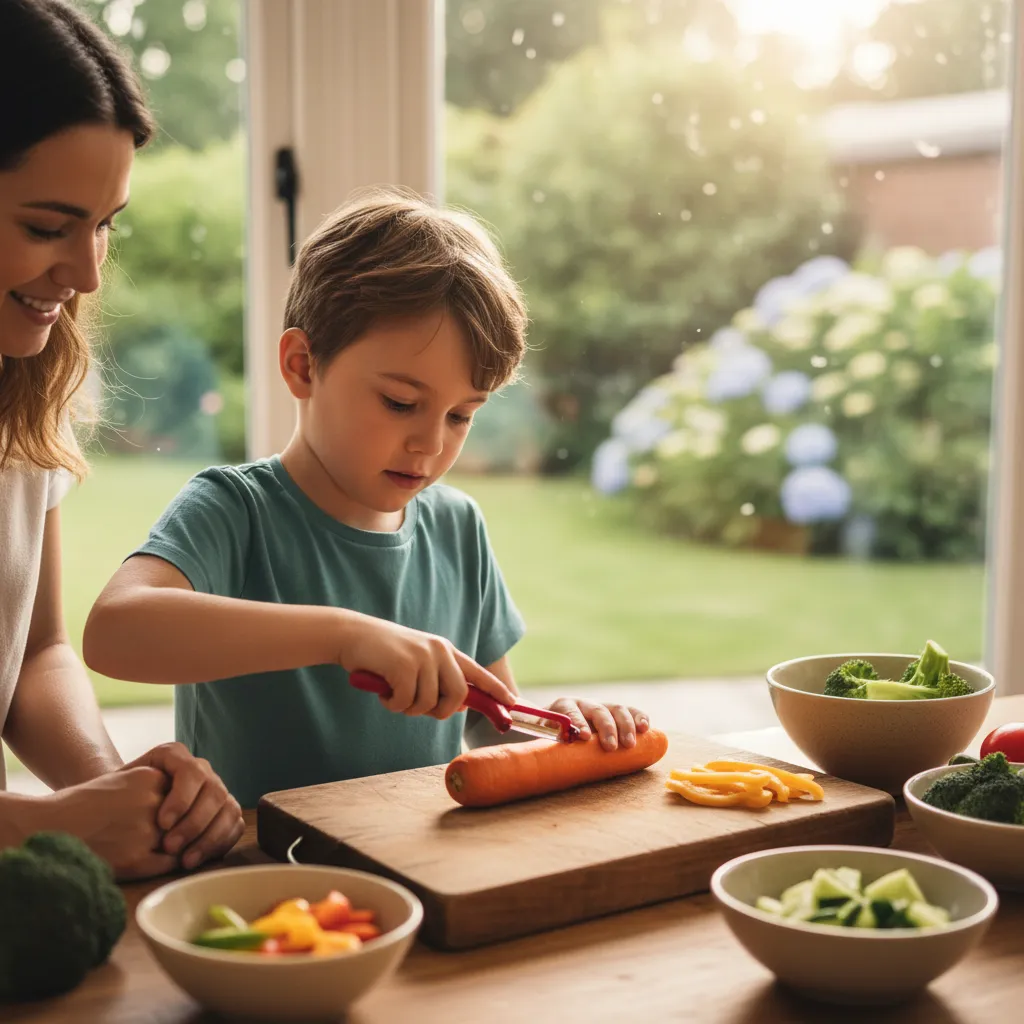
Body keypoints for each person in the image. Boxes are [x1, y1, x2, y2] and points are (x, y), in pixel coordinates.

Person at [84, 189, 652, 808]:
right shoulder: (234, 510)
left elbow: (494, 724)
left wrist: (559, 728)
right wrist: (343, 635)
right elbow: (114, 632)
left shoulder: (458, 526)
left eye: (461, 415)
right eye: (401, 403)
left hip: (417, 875)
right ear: (302, 365)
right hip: (263, 882)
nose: (430, 443)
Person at [0, 0, 243, 878]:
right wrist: (45, 829)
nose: (89, 270)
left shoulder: (25, 390)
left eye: (106, 223)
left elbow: (34, 655)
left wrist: (119, 797)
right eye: (46, 227)